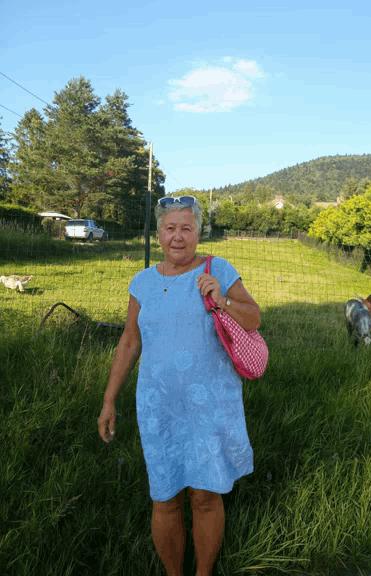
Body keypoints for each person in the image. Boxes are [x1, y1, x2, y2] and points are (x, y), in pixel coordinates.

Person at [97, 196, 261, 576]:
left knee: (204, 495)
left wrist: (223, 300)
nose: (178, 237)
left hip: (209, 407)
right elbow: (129, 342)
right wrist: (109, 400)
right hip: (159, 409)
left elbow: (253, 318)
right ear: (158, 234)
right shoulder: (142, 282)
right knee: (166, 495)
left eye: (186, 228)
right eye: (170, 228)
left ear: (198, 234)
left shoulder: (217, 268)